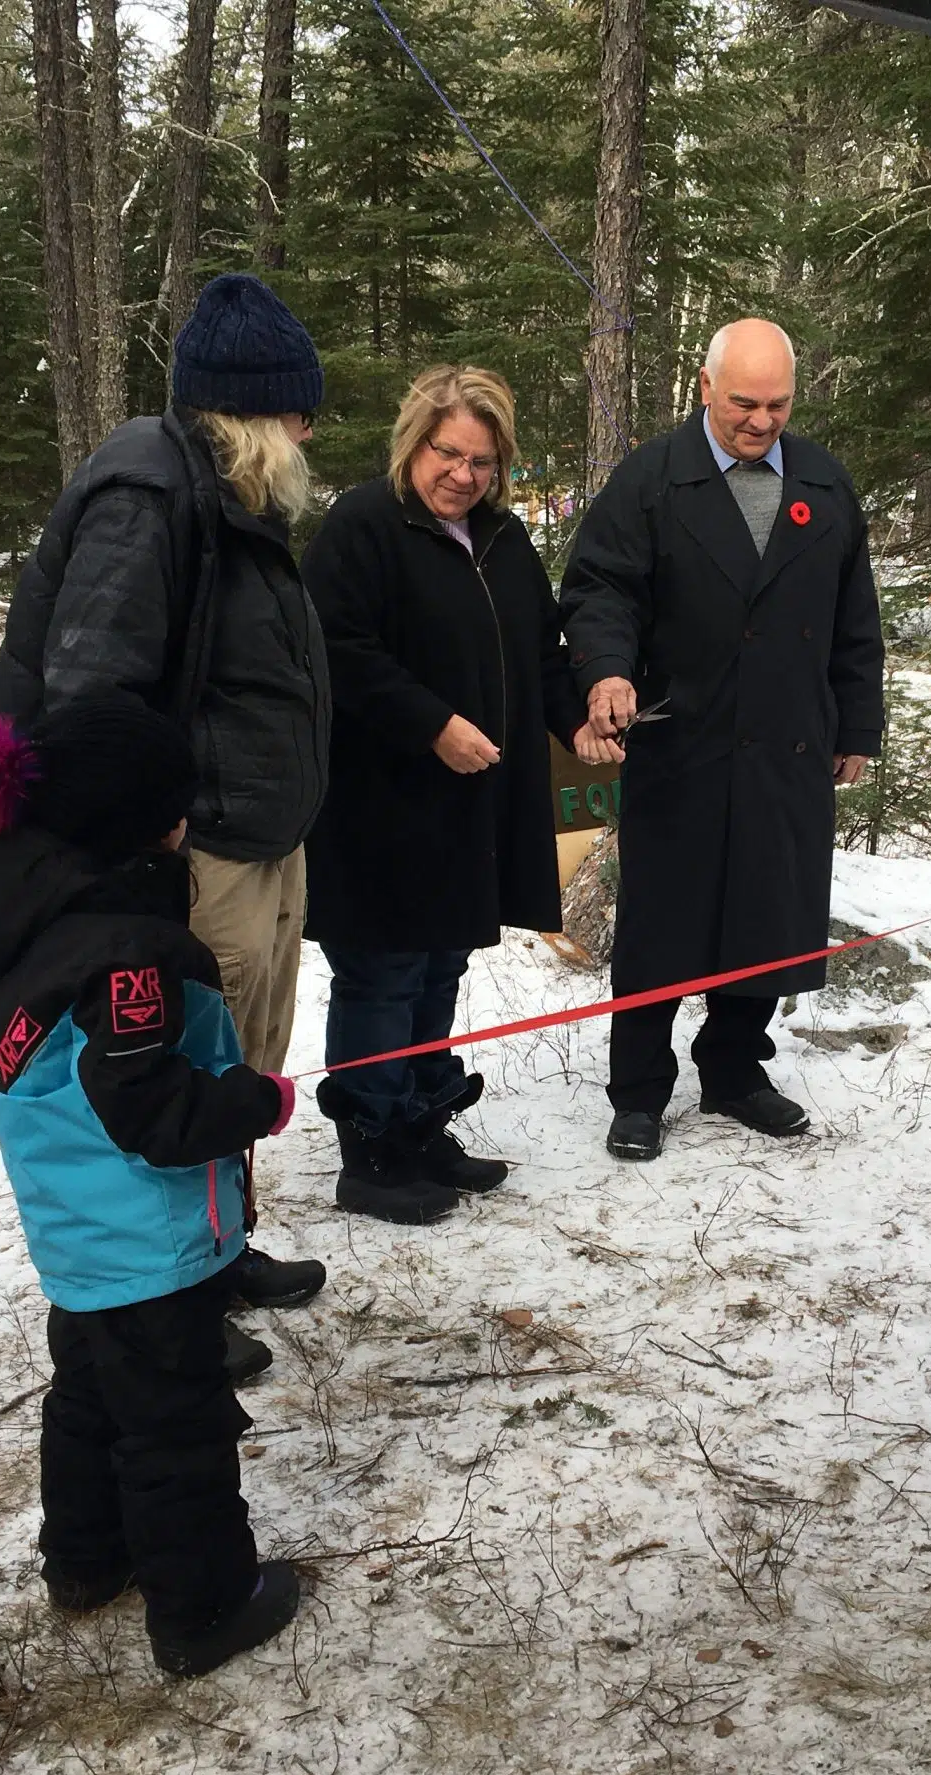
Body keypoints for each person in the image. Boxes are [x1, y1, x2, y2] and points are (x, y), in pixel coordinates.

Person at [0, 697, 303, 1680]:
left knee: (90, 1397)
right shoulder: (127, 950)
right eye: (175, 806)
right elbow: (148, 1112)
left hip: (80, 1235)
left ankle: (87, 1561)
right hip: (145, 1241)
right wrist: (251, 1104)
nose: (189, 820)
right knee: (176, 1423)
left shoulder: (34, 917)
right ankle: (205, 1607)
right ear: (141, 822)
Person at [0, 272, 332, 1306]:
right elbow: (95, 693)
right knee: (172, 1074)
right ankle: (169, 1292)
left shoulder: (222, 497)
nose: (308, 433)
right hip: (193, 851)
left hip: (253, 837)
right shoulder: (147, 494)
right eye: (298, 411)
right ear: (257, 409)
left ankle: (217, 1252)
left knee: (237, 1069)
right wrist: (149, 838)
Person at [559, 318, 885, 1161]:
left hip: (790, 747)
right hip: (683, 743)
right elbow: (600, 588)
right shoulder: (652, 480)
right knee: (663, 925)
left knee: (767, 915)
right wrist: (606, 670)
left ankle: (735, 1071)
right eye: (744, 402)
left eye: (777, 404)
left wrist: (858, 725)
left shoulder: (825, 482)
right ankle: (637, 1092)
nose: (760, 420)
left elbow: (856, 620)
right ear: (705, 388)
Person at [301, 366, 605, 1222]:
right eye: (448, 453)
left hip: (468, 810)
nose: (462, 475)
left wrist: (574, 721)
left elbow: (540, 655)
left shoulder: (503, 541)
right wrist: (431, 722)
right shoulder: (362, 525)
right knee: (382, 974)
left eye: (482, 460)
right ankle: (368, 1153)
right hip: (381, 806)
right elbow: (337, 647)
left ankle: (419, 1126)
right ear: (414, 442)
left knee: (439, 966)